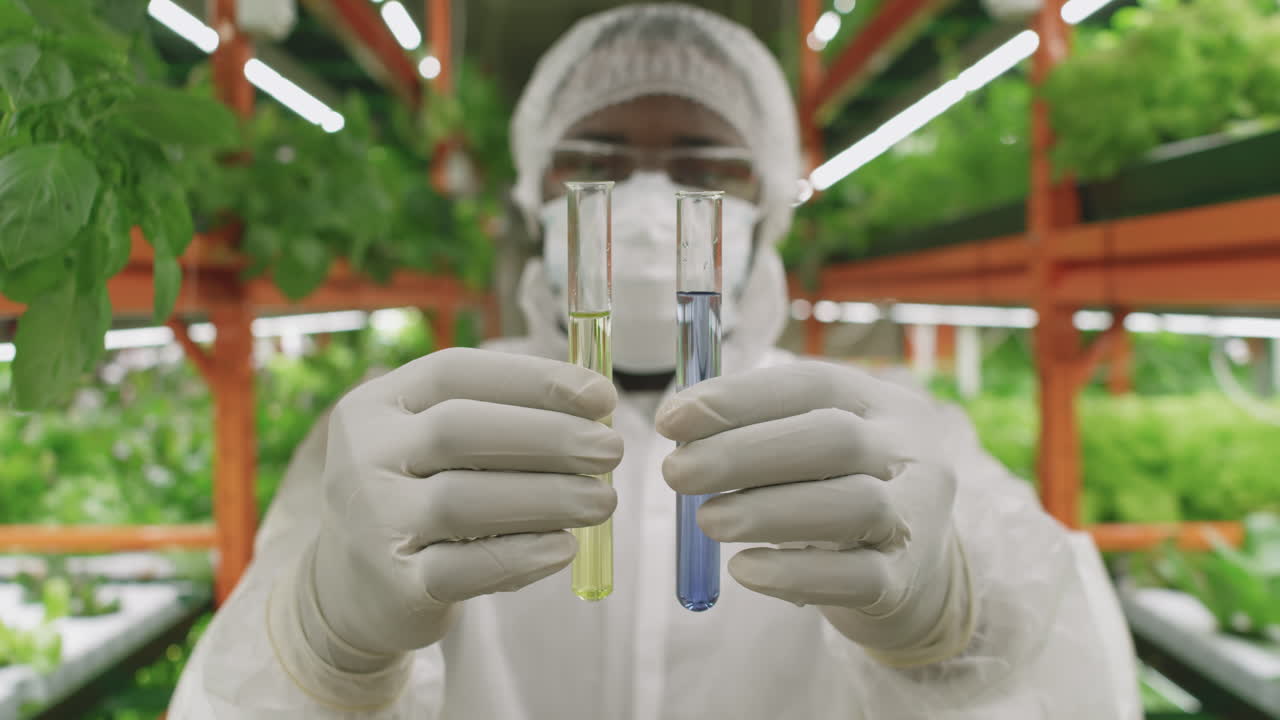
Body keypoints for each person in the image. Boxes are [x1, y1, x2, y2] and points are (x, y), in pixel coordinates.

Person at [171, 5, 1141, 718]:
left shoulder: (873, 440)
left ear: (766, 196)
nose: (642, 201)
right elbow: (233, 694)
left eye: (701, 165)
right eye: (591, 158)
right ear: (532, 191)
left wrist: (953, 627)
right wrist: (325, 644)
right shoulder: (428, 432)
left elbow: (1068, 671)